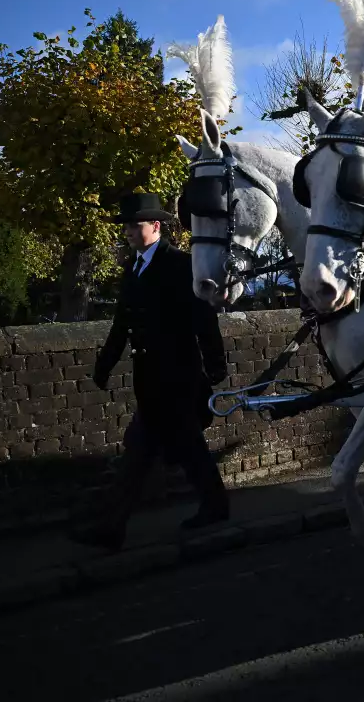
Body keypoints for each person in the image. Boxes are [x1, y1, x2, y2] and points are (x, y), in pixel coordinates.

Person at [69, 193, 230, 551]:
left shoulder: (180, 265)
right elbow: (122, 322)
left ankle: (112, 528)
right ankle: (216, 505)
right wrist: (105, 363)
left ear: (155, 226)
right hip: (150, 377)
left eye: (134, 224)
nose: (127, 231)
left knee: (140, 451)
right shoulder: (133, 268)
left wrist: (215, 363)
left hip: (178, 376)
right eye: (125, 225)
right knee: (188, 446)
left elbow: (203, 318)